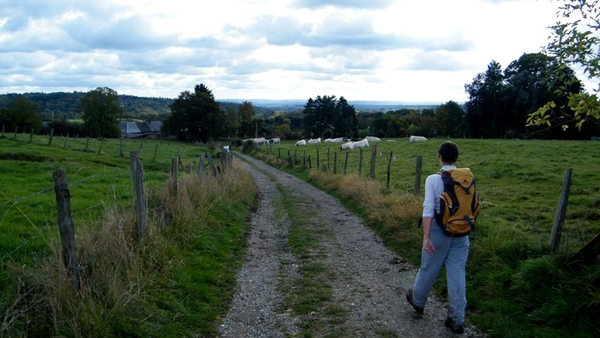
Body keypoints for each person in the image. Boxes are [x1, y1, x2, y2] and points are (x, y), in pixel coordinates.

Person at [406, 141, 470, 334]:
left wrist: (426, 237)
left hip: (438, 230)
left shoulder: (433, 179)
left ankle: (417, 300)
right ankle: (456, 319)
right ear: (456, 158)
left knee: (429, 267)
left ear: (440, 157)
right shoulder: (467, 178)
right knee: (457, 274)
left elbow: (428, 209)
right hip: (462, 232)